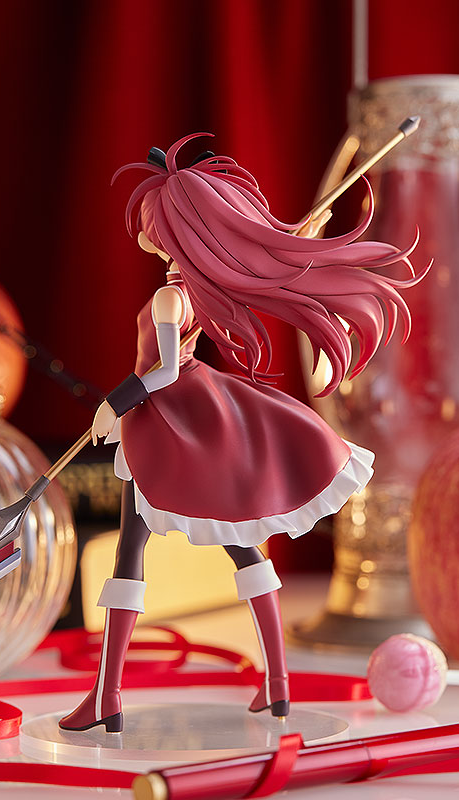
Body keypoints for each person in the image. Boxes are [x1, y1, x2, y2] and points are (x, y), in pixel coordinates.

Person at [59, 133, 427, 734]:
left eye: (153, 223)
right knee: (229, 543)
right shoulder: (193, 288)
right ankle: (274, 685)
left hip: (168, 420)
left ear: (175, 230)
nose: (144, 234)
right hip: (184, 417)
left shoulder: (170, 297)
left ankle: (109, 695)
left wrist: (114, 404)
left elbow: (166, 370)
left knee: (137, 552)